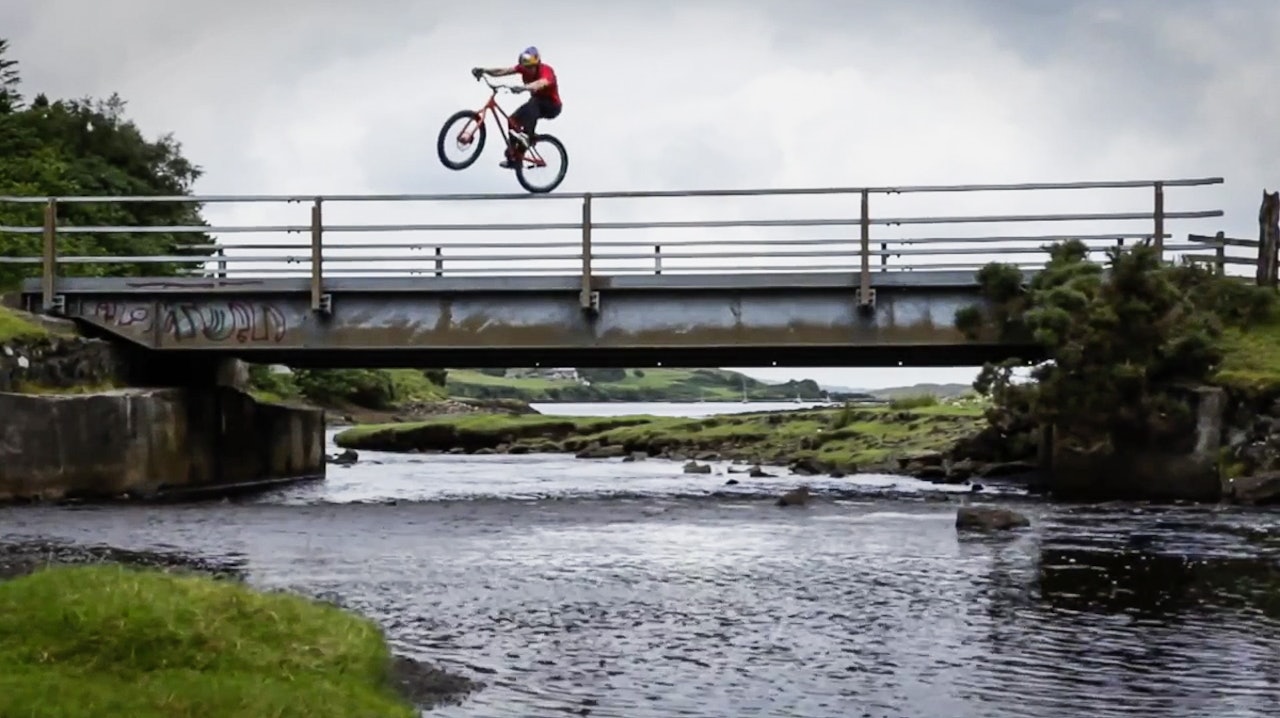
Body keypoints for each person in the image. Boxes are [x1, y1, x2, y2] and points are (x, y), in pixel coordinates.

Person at [472, 46, 562, 169]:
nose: (528, 70)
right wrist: (484, 70)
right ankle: (514, 159)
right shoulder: (523, 68)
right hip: (535, 105)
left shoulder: (546, 70)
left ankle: (528, 135)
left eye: (530, 67)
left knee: (534, 103)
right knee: (512, 121)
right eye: (526, 67)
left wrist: (524, 88)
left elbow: (541, 83)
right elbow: (503, 71)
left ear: (537, 64)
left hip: (552, 106)